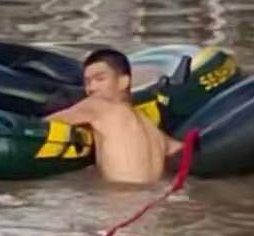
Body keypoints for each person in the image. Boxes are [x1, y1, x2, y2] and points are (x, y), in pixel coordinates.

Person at [46, 49, 183, 185]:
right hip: (153, 199)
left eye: (100, 79)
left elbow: (44, 124)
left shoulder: (98, 106)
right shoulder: (152, 129)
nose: (91, 88)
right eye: (87, 82)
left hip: (120, 200)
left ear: (124, 81)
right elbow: (178, 149)